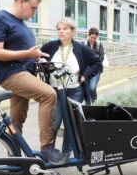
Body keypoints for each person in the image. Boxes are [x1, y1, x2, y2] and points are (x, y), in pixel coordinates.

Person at [0, 0, 66, 165]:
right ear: (21, 1)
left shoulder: (22, 24)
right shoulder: (0, 18)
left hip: (24, 72)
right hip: (12, 73)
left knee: (17, 119)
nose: (34, 12)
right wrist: (28, 54)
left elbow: (24, 53)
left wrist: (37, 57)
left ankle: (14, 157)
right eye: (33, 8)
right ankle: (47, 149)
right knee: (48, 95)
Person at [41, 19, 102, 156]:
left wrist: (85, 75)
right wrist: (41, 60)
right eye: (59, 29)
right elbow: (36, 55)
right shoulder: (51, 46)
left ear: (73, 32)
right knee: (55, 122)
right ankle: (49, 151)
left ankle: (66, 152)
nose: (61, 31)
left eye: (65, 29)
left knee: (70, 123)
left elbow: (97, 63)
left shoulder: (81, 48)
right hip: (55, 91)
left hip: (74, 90)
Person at [86, 27, 105, 103]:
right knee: (87, 89)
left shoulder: (99, 45)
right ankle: (89, 105)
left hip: (96, 70)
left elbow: (101, 58)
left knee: (91, 87)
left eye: (95, 38)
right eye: (91, 37)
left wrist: (91, 59)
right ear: (89, 35)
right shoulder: (83, 44)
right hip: (86, 70)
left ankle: (94, 100)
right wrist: (95, 58)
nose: (93, 39)